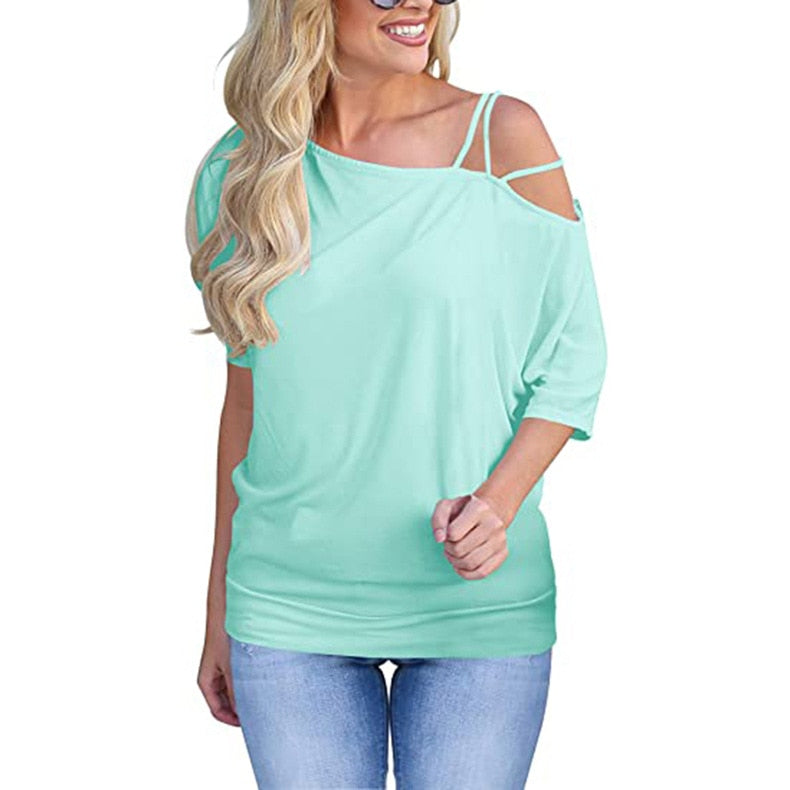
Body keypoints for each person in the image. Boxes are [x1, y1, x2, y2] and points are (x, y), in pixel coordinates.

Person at [186, 1, 607, 787]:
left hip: (474, 604)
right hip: (287, 605)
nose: (417, 4)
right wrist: (218, 610)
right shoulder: (242, 170)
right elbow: (246, 404)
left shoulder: (501, 139)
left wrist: (498, 504)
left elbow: (574, 353)